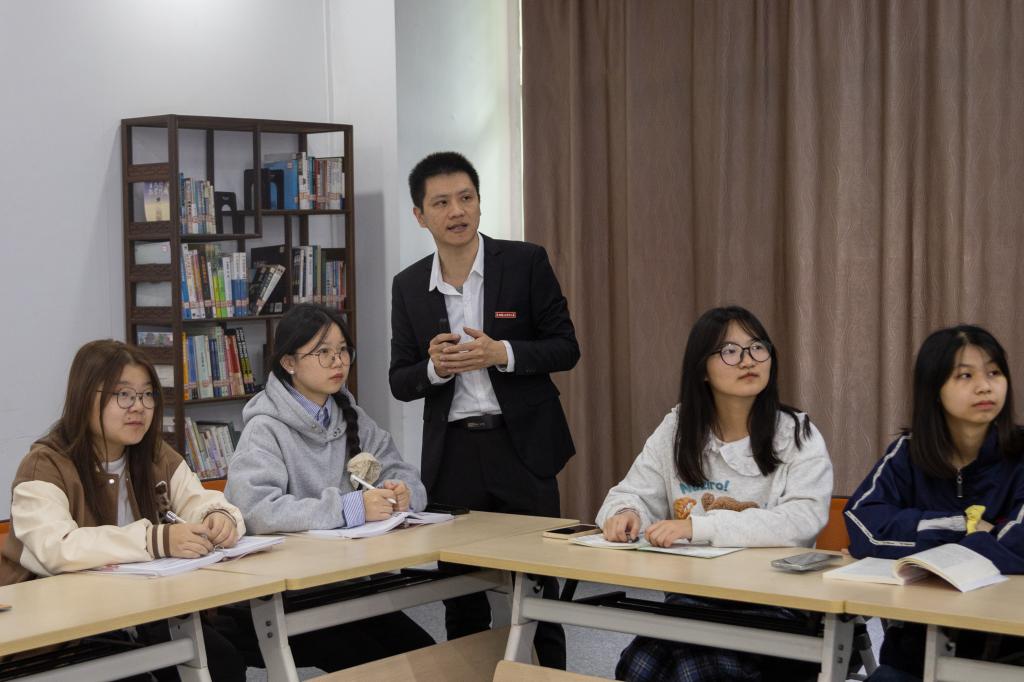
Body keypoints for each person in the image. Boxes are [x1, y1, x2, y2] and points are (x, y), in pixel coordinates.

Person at [389, 151, 579, 668]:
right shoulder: (409, 285)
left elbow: (566, 347)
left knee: (537, 585)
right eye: (441, 203)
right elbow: (400, 380)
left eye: (466, 198)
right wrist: (435, 369)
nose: (457, 211)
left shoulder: (525, 262)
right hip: (453, 455)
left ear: (479, 202)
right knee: (461, 595)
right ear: (420, 215)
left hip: (522, 449)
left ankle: (547, 678)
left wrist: (503, 353)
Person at [597, 306, 833, 681]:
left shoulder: (796, 433)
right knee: (640, 664)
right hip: (695, 598)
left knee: (689, 667)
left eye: (758, 348)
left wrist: (699, 527)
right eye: (730, 351)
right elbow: (631, 492)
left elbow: (803, 520)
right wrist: (626, 512)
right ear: (702, 370)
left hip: (776, 606)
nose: (748, 360)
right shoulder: (677, 429)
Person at [0, 339, 247, 681]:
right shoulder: (44, 465)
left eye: (147, 395)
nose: (139, 407)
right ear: (85, 397)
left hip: (143, 612)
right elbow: (57, 548)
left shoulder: (154, 454)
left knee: (223, 662)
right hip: (62, 631)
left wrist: (219, 518)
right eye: (124, 395)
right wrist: (155, 540)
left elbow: (199, 500)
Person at [225, 303, 434, 671]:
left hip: (346, 583)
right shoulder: (265, 429)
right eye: (323, 352)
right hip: (289, 594)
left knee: (424, 655)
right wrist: (350, 507)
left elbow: (402, 471)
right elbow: (255, 510)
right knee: (378, 665)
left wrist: (403, 494)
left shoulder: (350, 414)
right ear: (289, 362)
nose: (338, 362)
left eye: (342, 351)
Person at [845, 325, 1024, 681]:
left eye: (994, 373)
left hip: (1006, 654)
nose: (985, 386)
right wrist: (965, 527)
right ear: (934, 390)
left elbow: (1019, 546)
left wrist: (914, 545)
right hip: (915, 651)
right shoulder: (907, 452)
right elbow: (864, 526)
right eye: (965, 376)